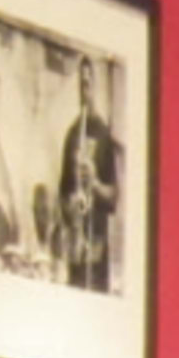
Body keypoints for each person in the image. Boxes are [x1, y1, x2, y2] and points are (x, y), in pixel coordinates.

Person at [53, 57, 119, 291]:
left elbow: (114, 198)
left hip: (97, 243)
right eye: (81, 85)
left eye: (89, 84)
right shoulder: (72, 134)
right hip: (76, 243)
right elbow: (62, 191)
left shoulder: (103, 135)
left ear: (96, 88)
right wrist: (69, 206)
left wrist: (95, 183)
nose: (85, 91)